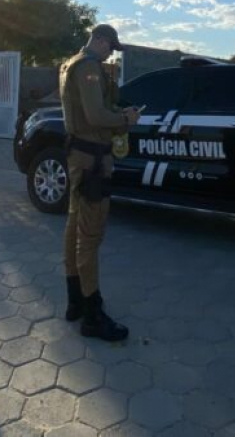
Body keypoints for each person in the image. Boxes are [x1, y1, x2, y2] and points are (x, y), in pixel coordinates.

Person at [59, 24, 141, 341]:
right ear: (101, 40)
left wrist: (117, 111)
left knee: (74, 225)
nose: (110, 54)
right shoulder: (89, 67)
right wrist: (125, 119)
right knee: (90, 235)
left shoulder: (70, 63)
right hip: (92, 161)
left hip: (78, 156)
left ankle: (75, 301)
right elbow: (95, 116)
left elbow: (88, 110)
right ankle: (92, 316)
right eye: (111, 47)